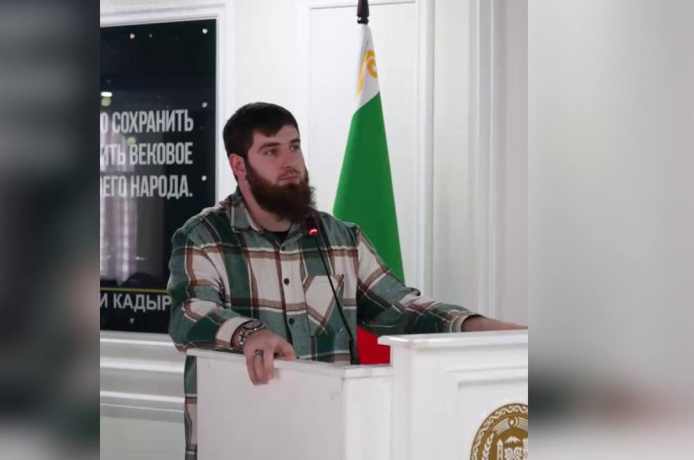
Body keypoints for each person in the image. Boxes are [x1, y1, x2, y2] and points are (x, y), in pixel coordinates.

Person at [167, 102, 522, 459]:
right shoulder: (204, 237)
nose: (290, 162)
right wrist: (249, 334)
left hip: (329, 441)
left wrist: (474, 326)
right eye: (271, 151)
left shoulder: (341, 238)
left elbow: (399, 308)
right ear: (239, 165)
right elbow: (188, 314)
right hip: (241, 441)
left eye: (294, 146)